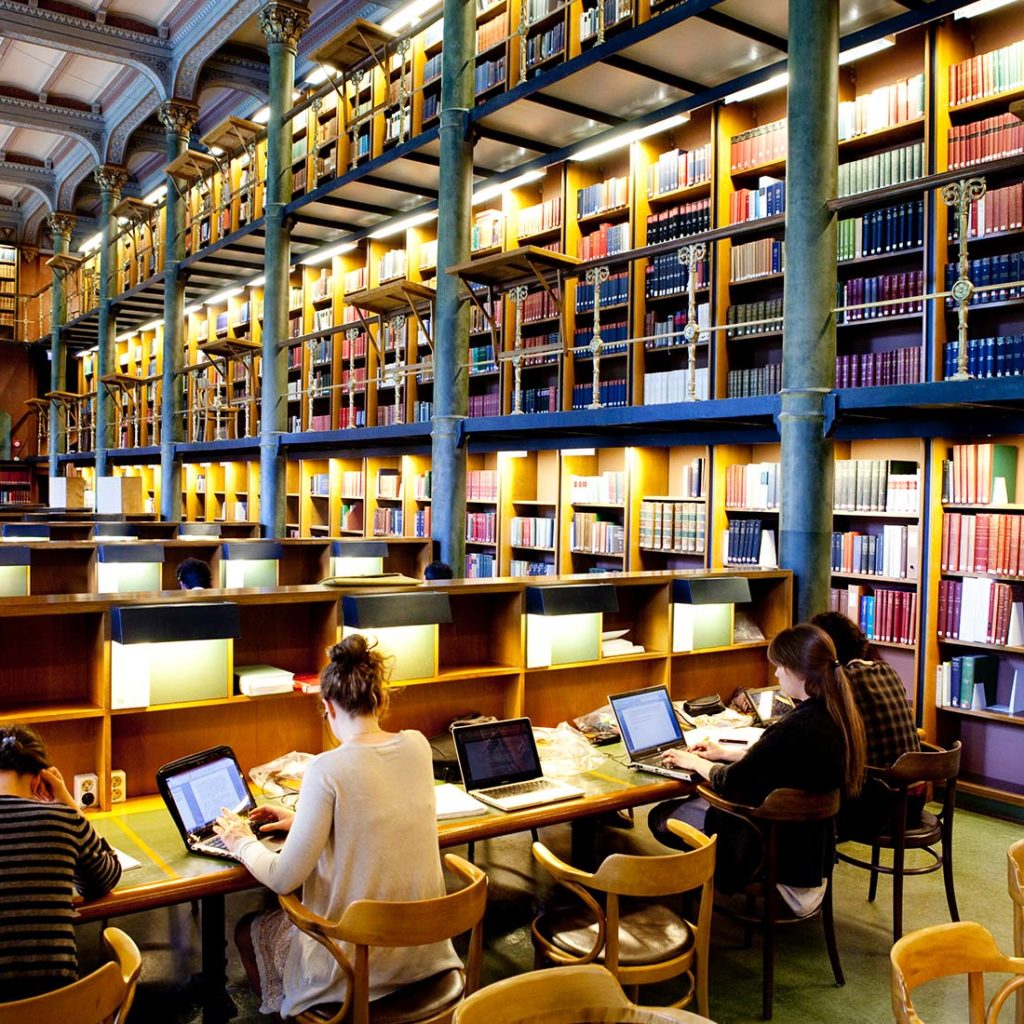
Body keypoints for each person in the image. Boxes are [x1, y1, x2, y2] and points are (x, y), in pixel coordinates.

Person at [214, 634, 460, 1018]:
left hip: (354, 967)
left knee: (251, 930)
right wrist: (303, 822)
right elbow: (377, 818)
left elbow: (282, 878)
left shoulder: (327, 768)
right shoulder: (417, 746)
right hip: (426, 955)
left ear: (327, 706)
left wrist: (240, 840)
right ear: (379, 698)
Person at [649, 623, 867, 913]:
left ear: (797, 671)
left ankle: (694, 897)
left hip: (775, 856)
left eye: (779, 667)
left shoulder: (795, 726)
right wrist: (726, 752)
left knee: (661, 817)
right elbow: (782, 763)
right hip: (810, 858)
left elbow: (730, 783)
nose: (775, 674)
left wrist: (695, 762)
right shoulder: (834, 713)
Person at [0, 726, 122, 1001]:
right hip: (56, 1003)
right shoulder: (61, 818)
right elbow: (104, 879)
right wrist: (67, 803)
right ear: (39, 780)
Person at [810, 610, 922, 835]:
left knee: (806, 792)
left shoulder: (844, 683)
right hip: (911, 803)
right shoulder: (886, 670)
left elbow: (818, 733)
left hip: (877, 808)